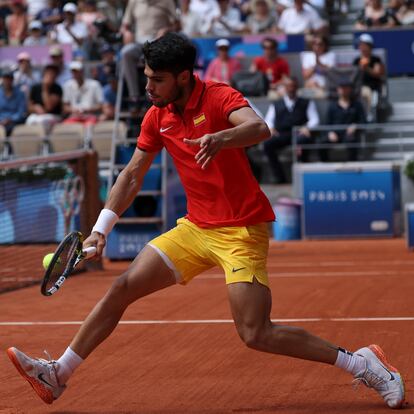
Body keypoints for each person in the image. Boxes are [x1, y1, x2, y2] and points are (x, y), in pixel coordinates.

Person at [7, 33, 405, 411]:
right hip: (196, 228)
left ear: (184, 76)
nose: (149, 87)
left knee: (255, 333)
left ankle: (364, 364)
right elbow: (131, 174)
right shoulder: (156, 115)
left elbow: (260, 127)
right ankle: (59, 373)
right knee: (122, 287)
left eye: (158, 80)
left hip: (241, 230)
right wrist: (100, 230)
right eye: (147, 78)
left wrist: (221, 138)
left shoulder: (218, 96)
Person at [264, 76, 319, 183]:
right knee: (268, 144)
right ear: (284, 87)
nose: (291, 89)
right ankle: (279, 177)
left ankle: (303, 177)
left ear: (297, 87)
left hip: (299, 134)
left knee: (303, 142)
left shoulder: (306, 102)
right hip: (283, 134)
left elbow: (314, 120)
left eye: (293, 86)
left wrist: (307, 127)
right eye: (288, 86)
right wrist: (270, 128)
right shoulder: (276, 104)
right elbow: (268, 120)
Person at [319, 80, 367, 162]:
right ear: (338, 90)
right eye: (342, 88)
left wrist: (355, 126)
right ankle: (326, 166)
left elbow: (363, 121)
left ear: (350, 90)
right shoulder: (332, 106)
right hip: (335, 134)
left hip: (350, 135)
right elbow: (326, 123)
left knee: (352, 143)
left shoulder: (357, 105)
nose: (344, 90)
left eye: (346, 88)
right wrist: (330, 132)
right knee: (321, 144)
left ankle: (352, 165)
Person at [352, 33, 386, 122]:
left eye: (363, 45)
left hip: (372, 87)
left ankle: (368, 115)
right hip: (358, 86)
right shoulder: (356, 60)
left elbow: (378, 73)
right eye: (360, 45)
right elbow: (352, 76)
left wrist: (366, 68)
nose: (361, 47)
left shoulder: (376, 59)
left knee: (366, 92)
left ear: (369, 46)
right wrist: (360, 68)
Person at [62, 60, 103, 125]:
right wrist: (75, 110)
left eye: (77, 71)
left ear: (82, 71)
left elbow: (100, 106)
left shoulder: (95, 84)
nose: (75, 73)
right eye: (73, 71)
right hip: (74, 116)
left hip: (91, 116)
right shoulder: (67, 85)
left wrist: (88, 110)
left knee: (89, 126)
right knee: (65, 127)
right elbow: (65, 107)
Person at [26, 64, 63, 134]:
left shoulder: (57, 88)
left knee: (43, 121)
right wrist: (35, 108)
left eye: (53, 73)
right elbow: (29, 107)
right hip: (37, 116)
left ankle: (45, 143)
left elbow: (49, 106)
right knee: (30, 120)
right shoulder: (35, 88)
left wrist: (45, 88)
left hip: (53, 116)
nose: (51, 75)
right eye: (49, 73)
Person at [0, 68, 27, 136]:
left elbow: (21, 112)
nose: (7, 81)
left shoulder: (20, 94)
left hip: (15, 123)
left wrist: (10, 119)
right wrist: (2, 120)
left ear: (12, 80)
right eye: (5, 78)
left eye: (9, 78)